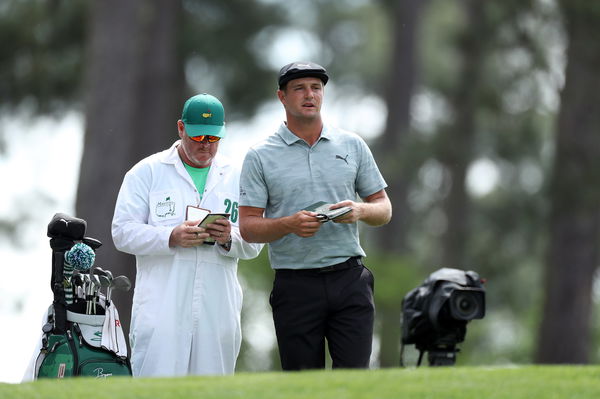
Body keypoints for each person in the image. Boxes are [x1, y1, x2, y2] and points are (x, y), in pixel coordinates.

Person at [239, 61, 392, 370]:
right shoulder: (260, 155)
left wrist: (359, 210)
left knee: (355, 381)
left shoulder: (353, 145)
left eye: (316, 88)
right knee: (302, 385)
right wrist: (288, 224)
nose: (309, 95)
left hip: (349, 279)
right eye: (299, 89)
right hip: (295, 286)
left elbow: (384, 209)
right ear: (282, 97)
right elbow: (248, 228)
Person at [112, 93, 263, 377]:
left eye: (213, 138)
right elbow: (122, 232)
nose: (206, 145)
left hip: (217, 307)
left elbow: (255, 241)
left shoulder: (237, 176)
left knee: (212, 390)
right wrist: (170, 237)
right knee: (156, 390)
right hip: (162, 305)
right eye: (197, 137)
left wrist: (228, 238)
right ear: (181, 128)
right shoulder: (147, 173)